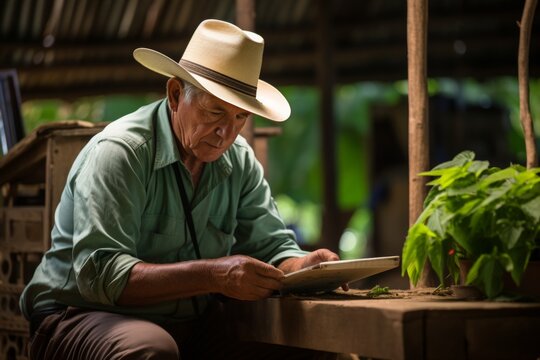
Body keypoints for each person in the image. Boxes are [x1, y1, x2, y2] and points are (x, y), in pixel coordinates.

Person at [20, 19, 343, 359]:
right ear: (175, 94)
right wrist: (214, 275)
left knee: (315, 346)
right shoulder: (122, 152)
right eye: (215, 111)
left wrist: (305, 266)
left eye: (239, 118)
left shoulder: (239, 160)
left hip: (187, 322)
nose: (226, 133)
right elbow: (101, 275)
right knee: (150, 350)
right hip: (77, 316)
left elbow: (273, 248)